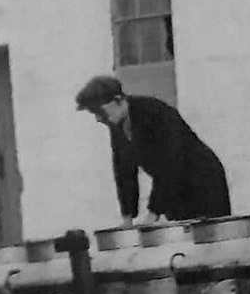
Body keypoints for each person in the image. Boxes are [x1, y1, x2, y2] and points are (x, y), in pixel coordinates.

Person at [75, 75, 232, 224]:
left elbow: (170, 163)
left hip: (204, 181)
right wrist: (127, 217)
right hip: (175, 189)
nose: (98, 119)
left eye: (100, 112)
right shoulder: (117, 125)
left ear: (118, 100)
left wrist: (153, 212)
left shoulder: (155, 113)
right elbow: (124, 171)